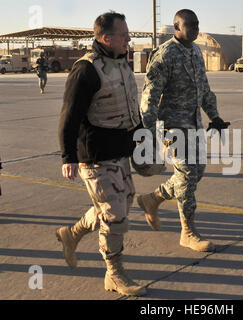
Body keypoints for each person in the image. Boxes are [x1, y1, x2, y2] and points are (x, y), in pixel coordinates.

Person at [56, 11, 146, 297]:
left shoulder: (122, 64)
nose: (129, 39)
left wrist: (143, 143)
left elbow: (134, 110)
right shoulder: (86, 70)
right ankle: (114, 273)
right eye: (124, 35)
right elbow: (68, 116)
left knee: (116, 207)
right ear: (106, 38)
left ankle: (72, 234)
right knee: (116, 216)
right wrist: (68, 157)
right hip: (94, 157)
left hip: (120, 152)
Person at [137, 9, 229, 252]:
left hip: (194, 124)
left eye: (198, 24)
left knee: (196, 174)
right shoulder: (165, 55)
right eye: (191, 25)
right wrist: (148, 134)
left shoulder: (196, 51)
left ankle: (152, 199)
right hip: (173, 127)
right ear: (176, 27)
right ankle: (188, 232)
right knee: (187, 175)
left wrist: (215, 116)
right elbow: (150, 95)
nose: (197, 29)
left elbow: (205, 89)